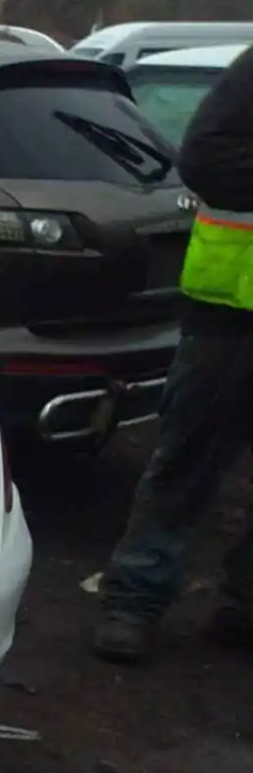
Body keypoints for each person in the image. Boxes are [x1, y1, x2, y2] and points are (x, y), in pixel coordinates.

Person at [91, 45, 253, 662]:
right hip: (232, 315)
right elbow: (208, 163)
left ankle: (243, 609)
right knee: (186, 463)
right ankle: (134, 599)